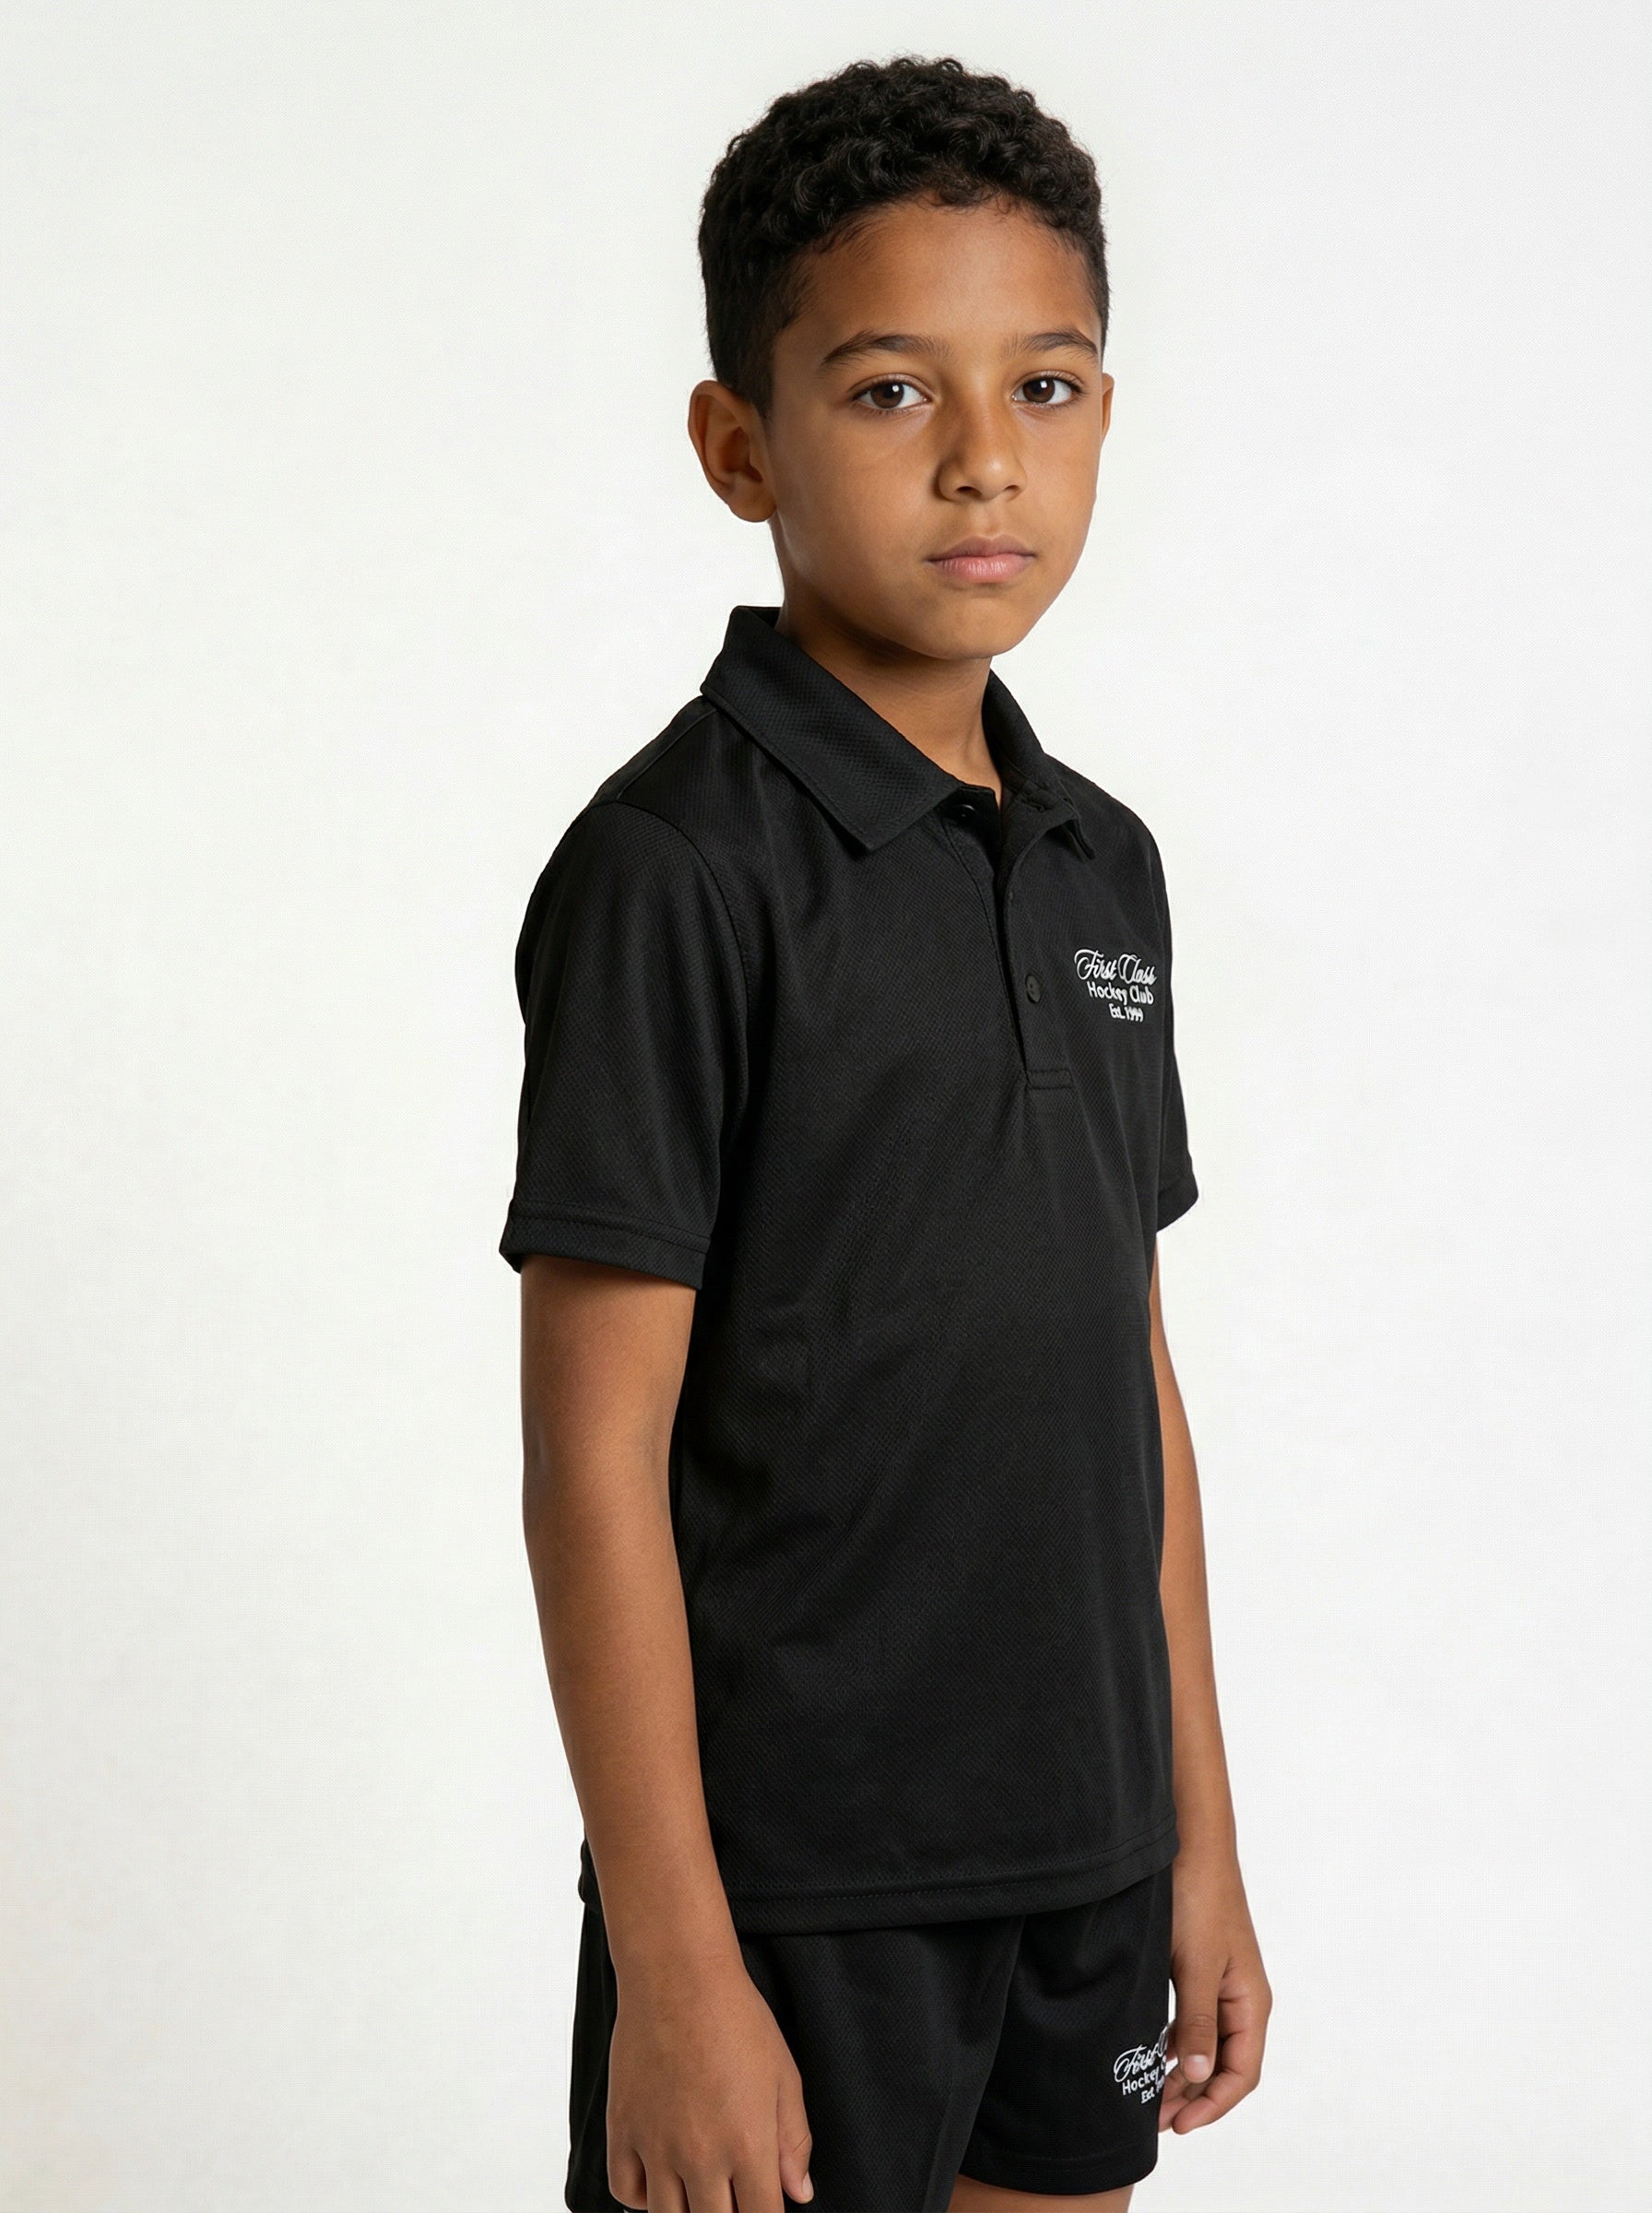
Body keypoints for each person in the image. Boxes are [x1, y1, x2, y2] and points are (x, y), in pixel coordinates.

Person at [501, 53, 1270, 2213]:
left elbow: (1121, 1373)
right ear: (737, 444)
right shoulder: (677, 870)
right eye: (885, 391)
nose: (976, 457)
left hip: (1086, 1856)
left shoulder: (1101, 864)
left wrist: (1196, 1843)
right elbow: (590, 1453)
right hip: (793, 1889)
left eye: (1043, 386)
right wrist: (676, 1967)